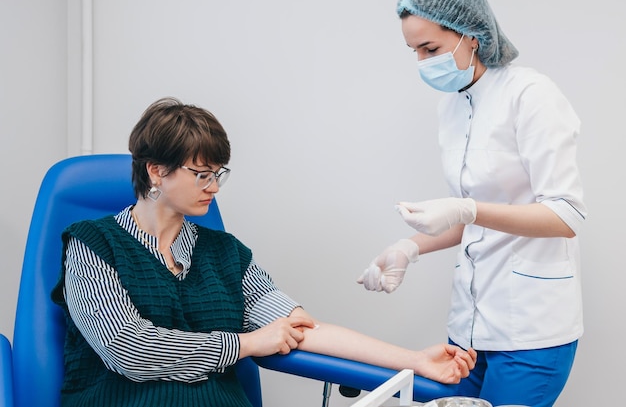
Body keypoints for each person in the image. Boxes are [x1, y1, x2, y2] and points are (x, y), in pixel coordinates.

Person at [51, 97, 476, 407]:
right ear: (156, 170)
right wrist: (245, 343)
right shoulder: (93, 243)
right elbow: (129, 349)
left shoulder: (225, 254)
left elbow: (299, 328)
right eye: (201, 174)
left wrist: (414, 360)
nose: (214, 187)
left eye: (219, 174)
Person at [357, 0, 586, 406]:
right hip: (467, 330)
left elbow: (565, 214)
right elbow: (473, 218)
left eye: (431, 48)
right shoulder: (451, 107)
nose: (424, 63)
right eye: (415, 51)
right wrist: (408, 248)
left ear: (471, 36)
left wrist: (468, 207)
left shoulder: (531, 94)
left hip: (530, 329)